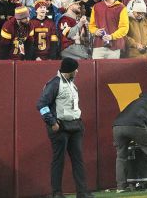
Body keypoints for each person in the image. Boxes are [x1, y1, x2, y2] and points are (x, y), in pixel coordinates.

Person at [38, 57, 92, 198]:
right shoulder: (54, 84)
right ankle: (56, 193)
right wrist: (52, 122)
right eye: (75, 69)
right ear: (70, 71)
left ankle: (82, 192)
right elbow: (41, 105)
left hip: (75, 126)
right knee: (59, 161)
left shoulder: (71, 83)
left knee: (78, 160)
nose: (77, 71)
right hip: (60, 127)